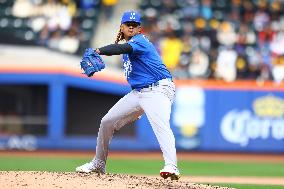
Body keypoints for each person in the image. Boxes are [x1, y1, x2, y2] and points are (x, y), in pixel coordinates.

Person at [75, 10, 180, 180]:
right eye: (128, 25)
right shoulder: (127, 51)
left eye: (135, 25)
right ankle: (99, 163)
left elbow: (122, 47)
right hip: (139, 93)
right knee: (107, 121)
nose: (131, 28)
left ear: (139, 29)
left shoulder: (140, 42)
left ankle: (171, 166)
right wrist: (137, 109)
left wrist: (98, 50)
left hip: (159, 88)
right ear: (122, 27)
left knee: (161, 125)